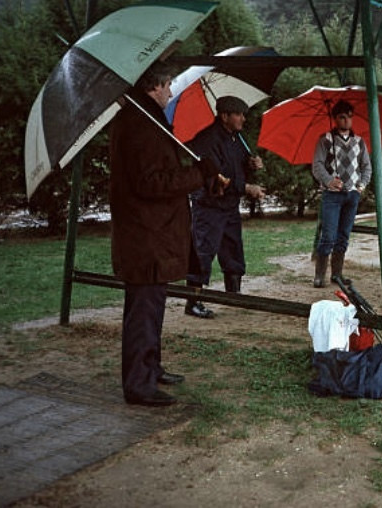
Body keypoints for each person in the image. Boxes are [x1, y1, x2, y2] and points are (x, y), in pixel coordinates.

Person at [109, 61, 220, 406]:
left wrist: (197, 171)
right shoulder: (139, 123)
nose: (171, 92)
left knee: (150, 309)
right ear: (154, 86)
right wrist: (198, 174)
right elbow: (150, 183)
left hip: (150, 235)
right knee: (143, 311)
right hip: (146, 237)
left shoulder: (144, 118)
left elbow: (160, 170)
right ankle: (138, 385)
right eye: (168, 85)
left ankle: (150, 368)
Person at [183, 96, 266, 318]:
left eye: (243, 114)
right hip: (209, 205)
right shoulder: (207, 140)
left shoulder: (236, 137)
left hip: (229, 205)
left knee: (232, 247)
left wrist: (251, 164)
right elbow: (217, 179)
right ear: (224, 116)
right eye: (238, 114)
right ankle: (193, 301)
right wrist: (247, 187)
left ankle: (234, 294)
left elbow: (236, 167)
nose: (243, 119)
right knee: (203, 251)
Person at [311, 100, 372, 288]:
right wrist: (330, 181)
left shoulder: (359, 142)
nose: (346, 121)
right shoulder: (326, 140)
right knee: (328, 235)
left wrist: (361, 185)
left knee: (343, 235)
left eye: (349, 117)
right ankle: (320, 275)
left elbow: (366, 167)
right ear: (335, 118)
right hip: (332, 195)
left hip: (352, 195)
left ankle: (337, 274)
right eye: (342, 117)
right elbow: (317, 165)